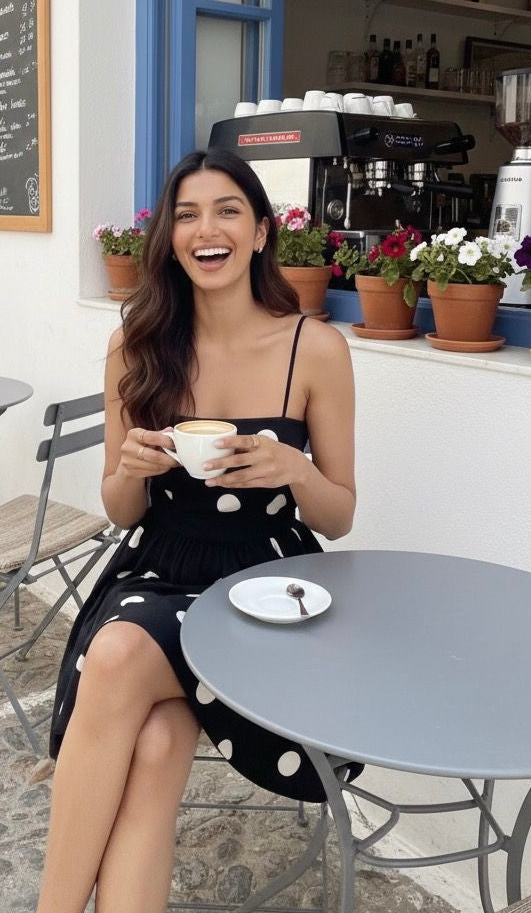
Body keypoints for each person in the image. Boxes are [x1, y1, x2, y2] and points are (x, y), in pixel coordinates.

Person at [37, 149, 358, 913]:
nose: (204, 230)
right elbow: (121, 513)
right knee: (153, 745)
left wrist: (294, 470)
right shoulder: (137, 344)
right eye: (186, 215)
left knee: (116, 660)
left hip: (268, 584)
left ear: (259, 234)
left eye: (226, 211)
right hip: (161, 567)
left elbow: (339, 515)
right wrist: (133, 466)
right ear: (169, 238)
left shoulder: (314, 348)